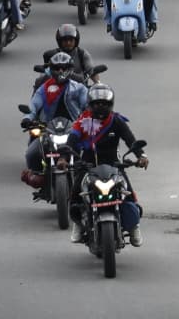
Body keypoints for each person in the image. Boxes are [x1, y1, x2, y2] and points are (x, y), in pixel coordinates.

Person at [68, 83, 147, 246]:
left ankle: (134, 227)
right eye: (97, 103)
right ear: (90, 104)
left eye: (104, 104)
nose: (100, 107)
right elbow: (72, 141)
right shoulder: (82, 121)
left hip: (114, 165)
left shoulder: (116, 121)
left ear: (111, 104)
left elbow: (130, 139)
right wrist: (63, 158)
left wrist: (141, 156)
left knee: (128, 192)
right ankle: (78, 224)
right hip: (87, 165)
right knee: (75, 193)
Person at [21, 52, 89, 186]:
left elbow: (87, 105)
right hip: (48, 129)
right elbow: (34, 105)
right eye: (57, 68)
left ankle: (89, 179)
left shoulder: (79, 88)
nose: (60, 71)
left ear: (70, 69)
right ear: (51, 69)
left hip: (74, 128)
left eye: (64, 68)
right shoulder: (43, 88)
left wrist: (89, 117)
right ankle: (38, 176)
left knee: (90, 150)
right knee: (31, 154)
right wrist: (28, 118)